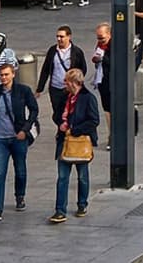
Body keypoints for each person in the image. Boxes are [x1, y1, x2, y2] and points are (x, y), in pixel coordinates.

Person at [0, 60, 38, 220]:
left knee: (20, 170)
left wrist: (25, 129)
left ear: (13, 74)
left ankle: (20, 195)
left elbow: (34, 110)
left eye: (6, 75)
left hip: (18, 137)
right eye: (1, 75)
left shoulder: (23, 91)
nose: (3, 78)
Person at [49, 67, 98, 222]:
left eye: (67, 82)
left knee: (82, 176)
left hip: (80, 142)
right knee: (62, 177)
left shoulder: (88, 98)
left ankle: (82, 204)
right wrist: (60, 123)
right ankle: (60, 209)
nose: (65, 84)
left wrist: (75, 129)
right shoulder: (65, 97)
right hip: (64, 141)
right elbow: (56, 114)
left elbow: (94, 120)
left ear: (75, 83)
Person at [38, 25, 89, 120]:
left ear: (69, 37)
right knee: (57, 114)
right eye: (57, 36)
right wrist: (40, 88)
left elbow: (83, 69)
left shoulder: (76, 52)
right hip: (55, 88)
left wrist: (76, 83)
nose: (59, 39)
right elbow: (45, 69)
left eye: (62, 36)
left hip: (70, 89)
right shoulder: (53, 50)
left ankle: (66, 131)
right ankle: (61, 130)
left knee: (70, 112)